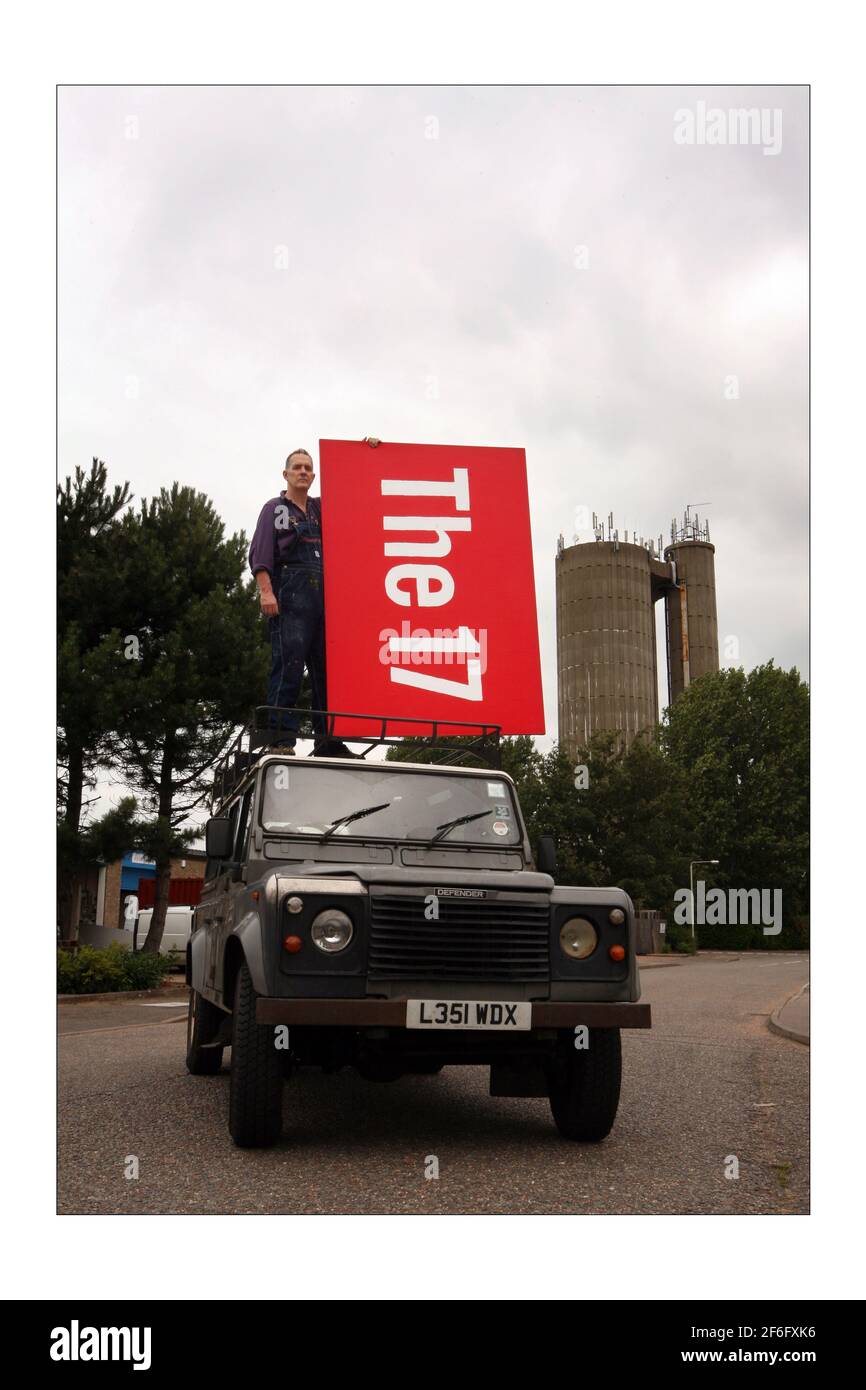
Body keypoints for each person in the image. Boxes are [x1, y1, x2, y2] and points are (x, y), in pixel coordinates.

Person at [249, 447, 351, 755]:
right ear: (286, 474)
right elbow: (260, 553)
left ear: (314, 475)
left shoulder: (322, 509)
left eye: (308, 468)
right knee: (289, 665)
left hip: (324, 597)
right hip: (290, 596)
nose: (303, 471)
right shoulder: (275, 509)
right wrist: (266, 592)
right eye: (297, 467)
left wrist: (365, 449)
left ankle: (328, 741)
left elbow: (353, 489)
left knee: (326, 671)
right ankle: (279, 740)